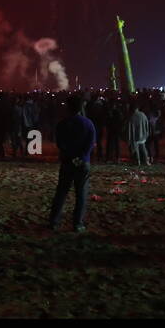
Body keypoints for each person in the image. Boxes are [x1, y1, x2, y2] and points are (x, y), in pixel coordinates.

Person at [49, 95, 96, 232]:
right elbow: (90, 144)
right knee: (81, 194)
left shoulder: (62, 123)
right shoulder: (88, 123)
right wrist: (81, 157)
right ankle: (77, 223)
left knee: (61, 192)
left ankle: (54, 221)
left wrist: (69, 155)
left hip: (67, 161)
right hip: (82, 162)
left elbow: (59, 143)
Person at [126, 101, 150, 167]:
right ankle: (146, 161)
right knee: (143, 148)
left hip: (135, 136)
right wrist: (147, 133)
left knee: (135, 150)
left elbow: (129, 128)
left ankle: (137, 161)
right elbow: (147, 124)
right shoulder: (143, 115)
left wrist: (129, 138)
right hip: (143, 135)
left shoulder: (131, 117)